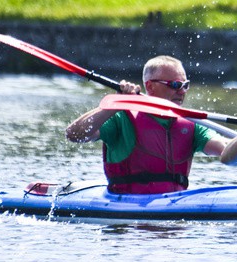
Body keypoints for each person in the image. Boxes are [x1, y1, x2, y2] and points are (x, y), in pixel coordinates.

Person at [66, 55, 227, 194]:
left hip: (173, 221)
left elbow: (227, 149)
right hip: (127, 221)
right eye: (176, 85)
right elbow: (74, 135)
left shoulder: (192, 124)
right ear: (150, 86)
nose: (182, 91)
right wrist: (115, 104)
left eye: (185, 85)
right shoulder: (122, 117)